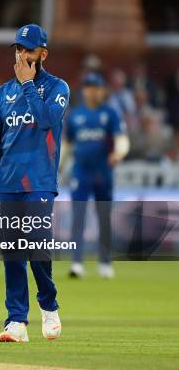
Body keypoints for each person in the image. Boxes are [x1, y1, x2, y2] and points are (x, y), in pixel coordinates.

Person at [0, 24, 69, 343]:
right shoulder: (1, 94)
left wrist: (28, 85)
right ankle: (16, 320)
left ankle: (49, 305)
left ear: (43, 54)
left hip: (40, 182)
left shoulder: (58, 88)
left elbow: (46, 122)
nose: (21, 55)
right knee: (12, 252)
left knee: (37, 247)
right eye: (18, 49)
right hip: (9, 183)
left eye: (28, 50)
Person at [62, 73, 129, 279]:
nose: (92, 91)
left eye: (96, 87)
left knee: (103, 218)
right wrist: (58, 166)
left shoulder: (110, 114)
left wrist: (118, 153)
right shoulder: (75, 115)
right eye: (88, 87)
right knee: (78, 218)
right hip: (81, 173)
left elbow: (121, 138)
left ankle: (105, 263)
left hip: (103, 173)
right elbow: (67, 145)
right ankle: (76, 263)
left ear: (102, 90)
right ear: (84, 90)